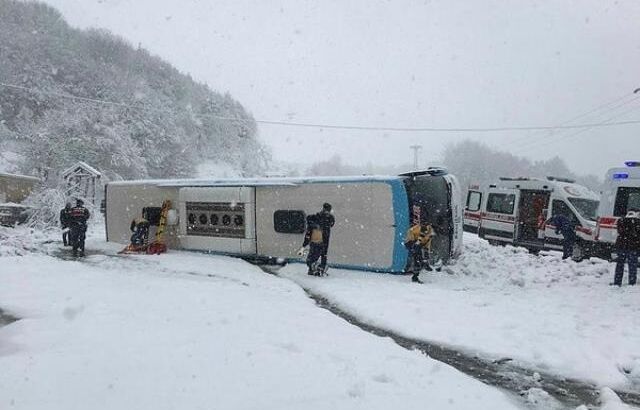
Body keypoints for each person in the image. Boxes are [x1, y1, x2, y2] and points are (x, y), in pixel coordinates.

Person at [612, 209, 640, 286]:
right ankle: (632, 282)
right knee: (632, 265)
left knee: (620, 265)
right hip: (633, 246)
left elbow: (619, 232)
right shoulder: (637, 222)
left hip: (621, 246)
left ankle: (617, 282)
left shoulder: (621, 220)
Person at [316, 203, 335, 273]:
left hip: (318, 235)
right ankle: (322, 266)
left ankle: (313, 265)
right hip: (326, 235)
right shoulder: (330, 216)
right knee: (324, 252)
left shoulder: (319, 214)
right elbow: (332, 224)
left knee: (316, 250)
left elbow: (315, 223)